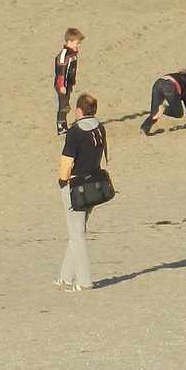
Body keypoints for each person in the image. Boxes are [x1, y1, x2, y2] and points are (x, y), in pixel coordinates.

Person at [56, 94, 106, 292]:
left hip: (75, 185)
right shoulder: (100, 128)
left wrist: (62, 180)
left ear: (79, 110)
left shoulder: (76, 132)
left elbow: (67, 160)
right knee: (76, 230)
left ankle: (85, 281)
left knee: (77, 233)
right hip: (94, 184)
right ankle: (65, 277)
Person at [53, 28, 83, 137]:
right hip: (63, 85)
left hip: (68, 84)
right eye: (77, 43)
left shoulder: (72, 54)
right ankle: (61, 126)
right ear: (69, 42)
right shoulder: (64, 55)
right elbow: (61, 71)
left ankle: (64, 125)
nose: (78, 46)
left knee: (66, 104)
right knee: (63, 105)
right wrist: (61, 85)